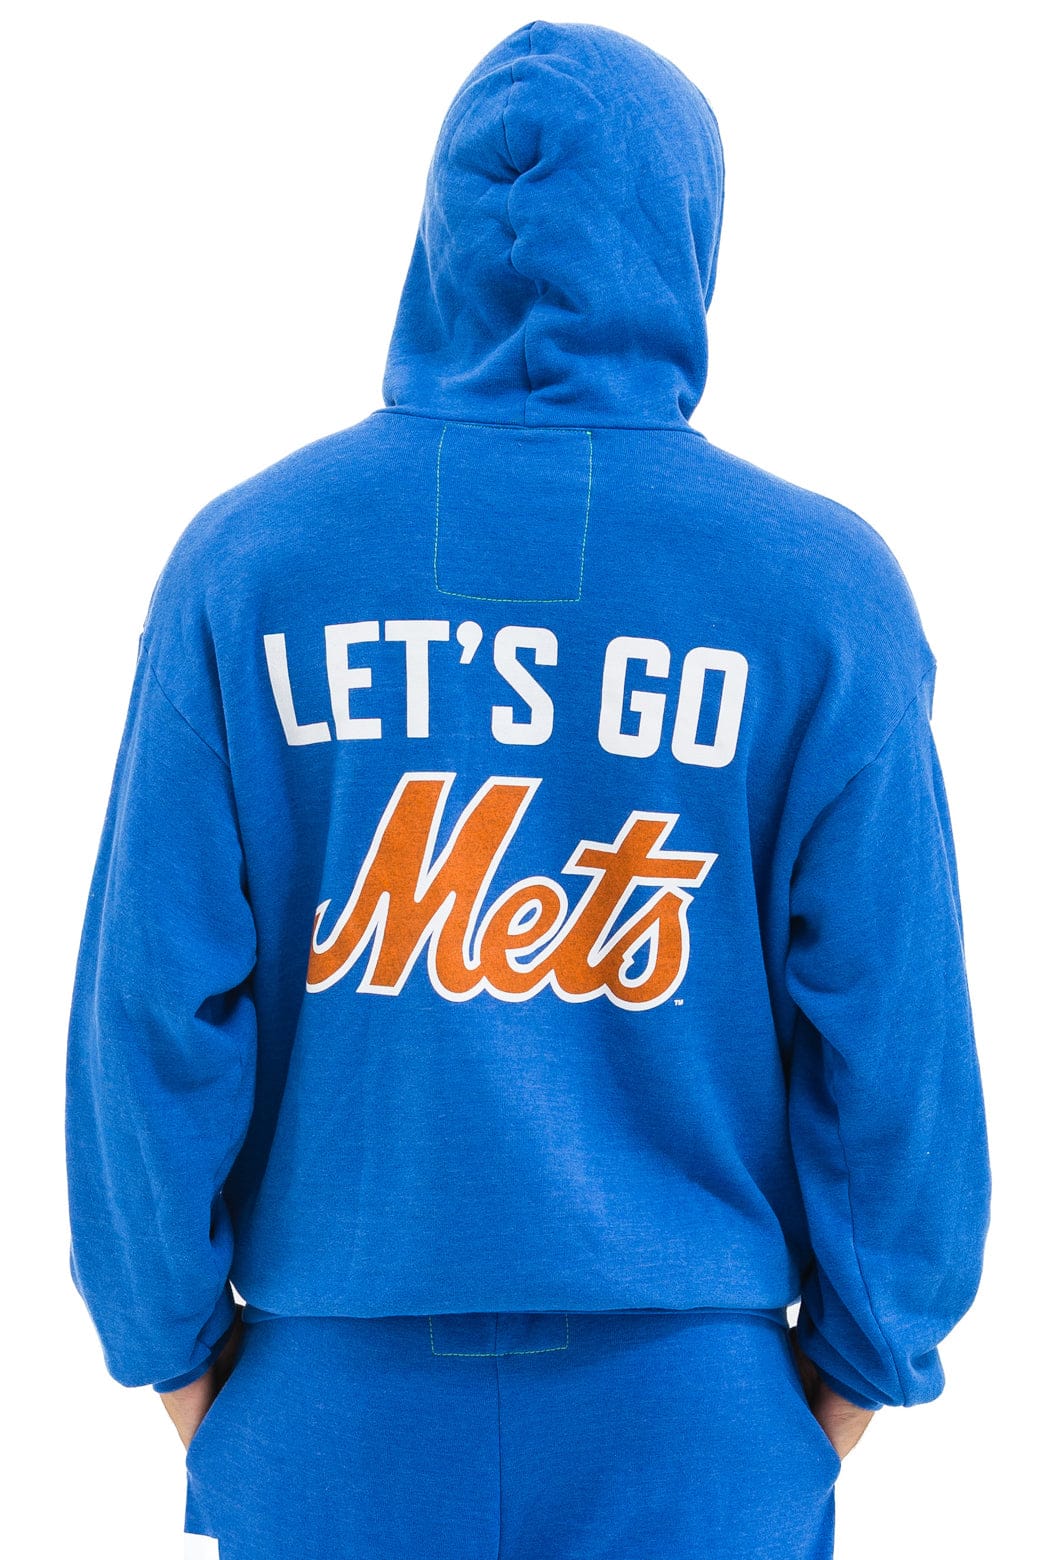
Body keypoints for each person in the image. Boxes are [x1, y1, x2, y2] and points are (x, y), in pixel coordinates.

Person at [64, 19, 991, 1560]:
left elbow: (149, 1018)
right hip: (695, 1421)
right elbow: (896, 1037)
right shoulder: (820, 593)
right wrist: (852, 1375)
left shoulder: (247, 566)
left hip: (329, 1418)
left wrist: (181, 1367)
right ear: (688, 234)